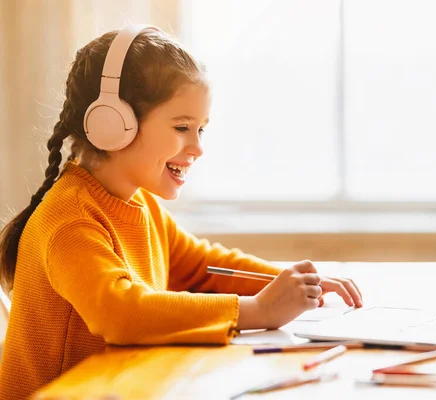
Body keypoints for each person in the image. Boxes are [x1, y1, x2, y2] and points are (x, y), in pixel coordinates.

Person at [0, 25, 363, 399]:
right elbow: (121, 313)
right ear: (112, 124)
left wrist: (293, 285)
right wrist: (257, 310)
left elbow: (203, 267)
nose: (197, 148)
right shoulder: (70, 218)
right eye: (182, 127)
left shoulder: (140, 204)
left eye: (201, 130)